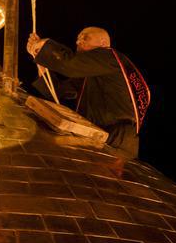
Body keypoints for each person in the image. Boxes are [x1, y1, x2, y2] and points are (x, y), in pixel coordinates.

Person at [26, 27, 150, 158]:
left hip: (116, 140)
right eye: (78, 39)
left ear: (103, 43)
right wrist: (40, 57)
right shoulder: (95, 74)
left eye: (85, 38)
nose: (78, 42)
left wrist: (44, 45)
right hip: (101, 135)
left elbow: (69, 64)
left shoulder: (110, 57)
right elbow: (56, 91)